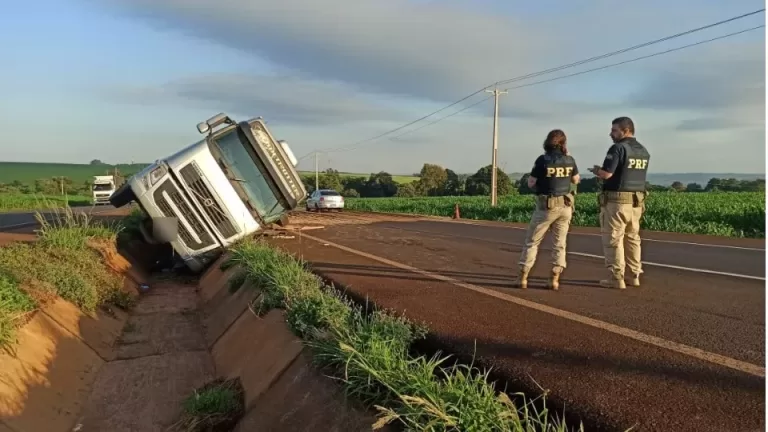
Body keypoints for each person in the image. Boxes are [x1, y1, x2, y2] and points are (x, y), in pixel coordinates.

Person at [588, 116, 650, 289]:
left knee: (614, 238)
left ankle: (616, 277)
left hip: (617, 202)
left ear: (626, 130)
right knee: (633, 238)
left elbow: (607, 174)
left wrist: (596, 171)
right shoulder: (643, 150)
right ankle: (634, 275)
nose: (611, 133)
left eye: (614, 130)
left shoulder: (618, 148)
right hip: (637, 202)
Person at [514, 129, 580, 291]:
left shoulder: (542, 160)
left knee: (532, 242)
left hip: (547, 206)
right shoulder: (569, 159)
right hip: (566, 206)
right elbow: (576, 180)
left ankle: (523, 277)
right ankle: (554, 279)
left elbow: (531, 183)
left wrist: (539, 189)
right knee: (559, 244)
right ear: (563, 143)